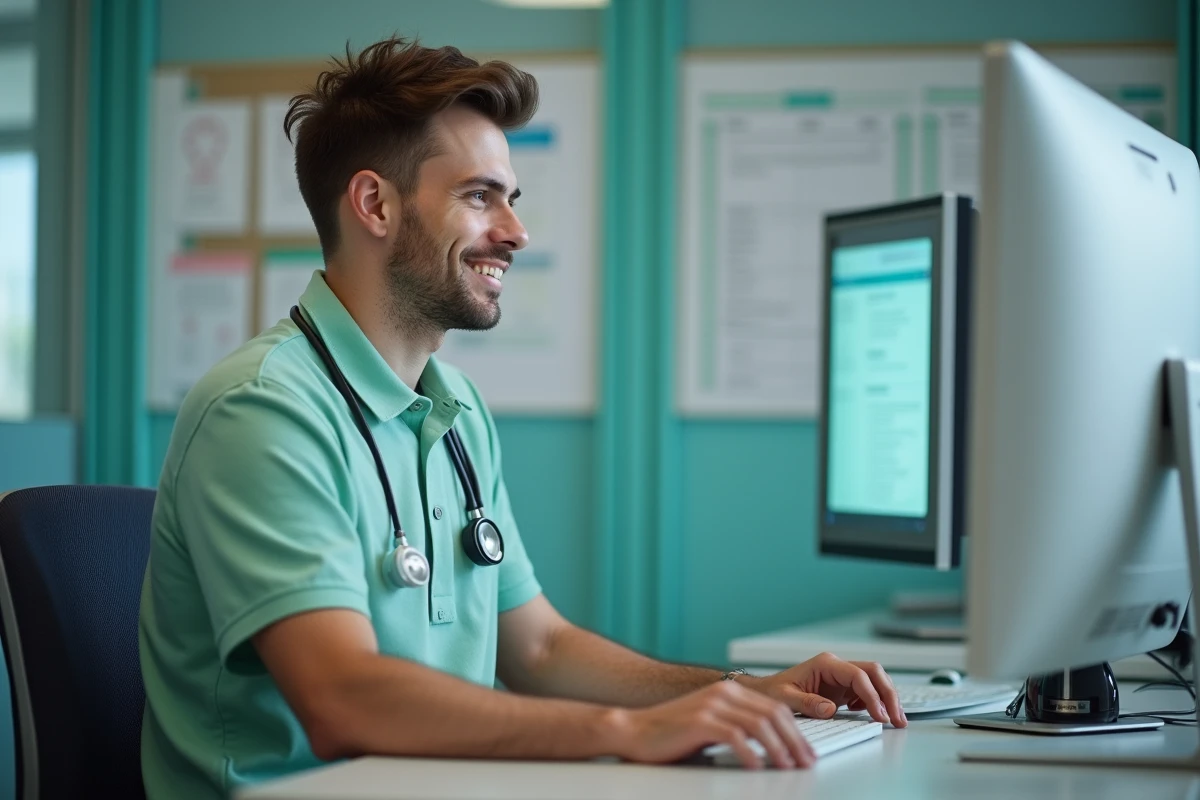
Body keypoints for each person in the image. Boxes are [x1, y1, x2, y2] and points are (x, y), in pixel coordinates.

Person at [138, 36, 907, 800]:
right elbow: (344, 700)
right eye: (479, 196)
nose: (515, 230)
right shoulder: (264, 409)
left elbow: (539, 648)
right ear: (374, 203)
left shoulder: (455, 410)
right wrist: (626, 734)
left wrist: (746, 691)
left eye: (511, 198)